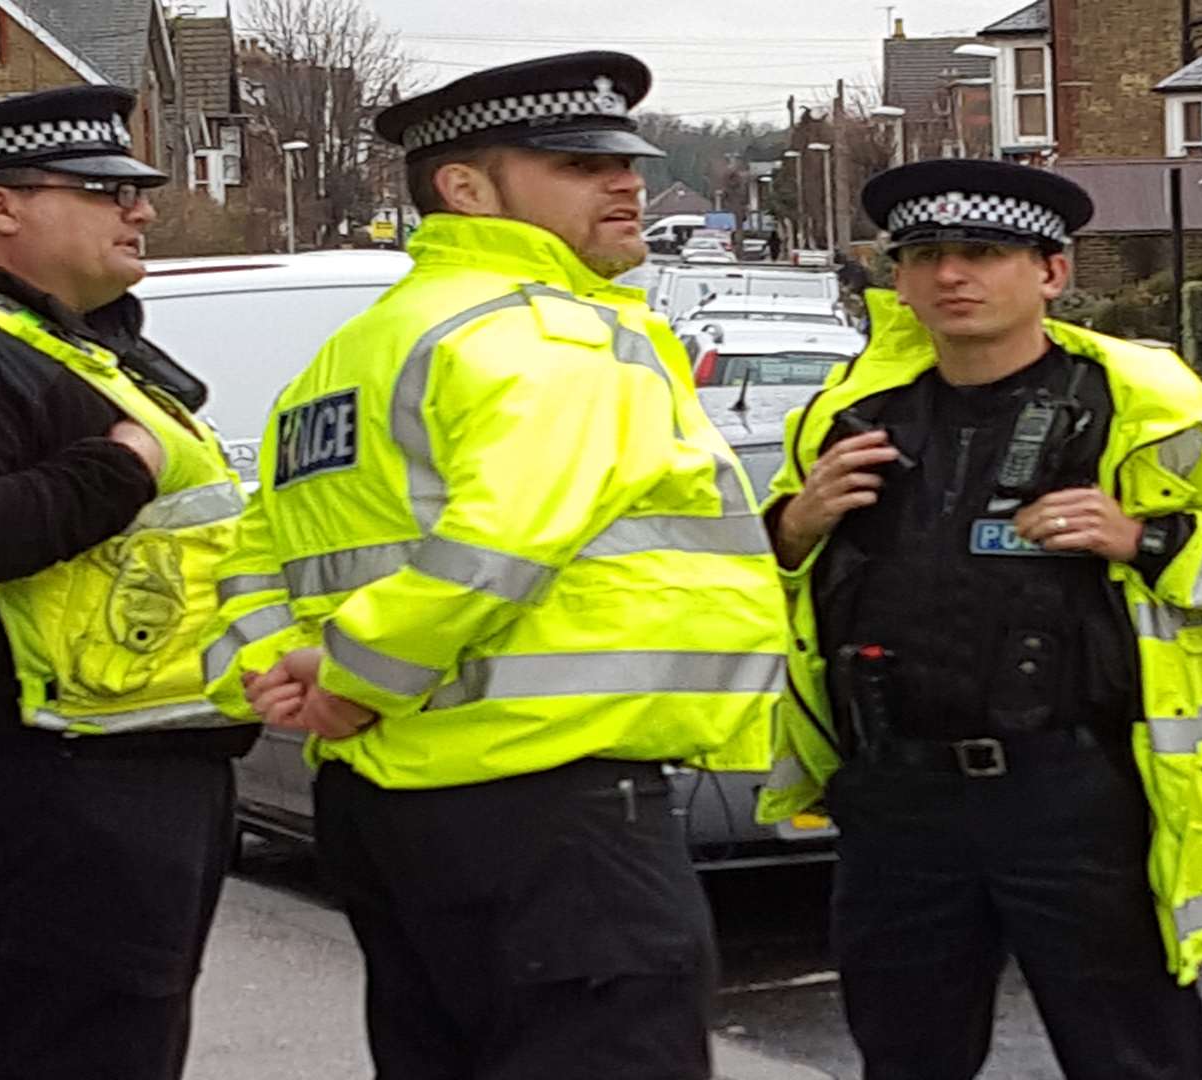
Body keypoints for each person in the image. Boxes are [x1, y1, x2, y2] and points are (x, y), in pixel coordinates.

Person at [199, 51, 788, 1079]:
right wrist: (350, 677)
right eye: (574, 164)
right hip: (556, 812)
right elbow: (502, 538)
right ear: (465, 188)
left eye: (627, 163)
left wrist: (293, 674)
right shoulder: (552, 335)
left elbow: (252, 558)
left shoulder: (347, 358)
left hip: (391, 816)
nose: (625, 183)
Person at [755, 159, 1202, 1080]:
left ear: (1051, 273)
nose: (952, 275)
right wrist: (793, 527)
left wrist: (1144, 540)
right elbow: (755, 589)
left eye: (983, 251)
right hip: (896, 798)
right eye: (924, 254)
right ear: (899, 278)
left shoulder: (1144, 405)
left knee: (1131, 1055)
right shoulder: (848, 418)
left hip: (1076, 796)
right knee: (904, 1056)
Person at [0, 86, 255, 1079]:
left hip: (121, 770)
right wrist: (117, 468)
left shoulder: (50, 340)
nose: (142, 211)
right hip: (58, 783)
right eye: (104, 191)